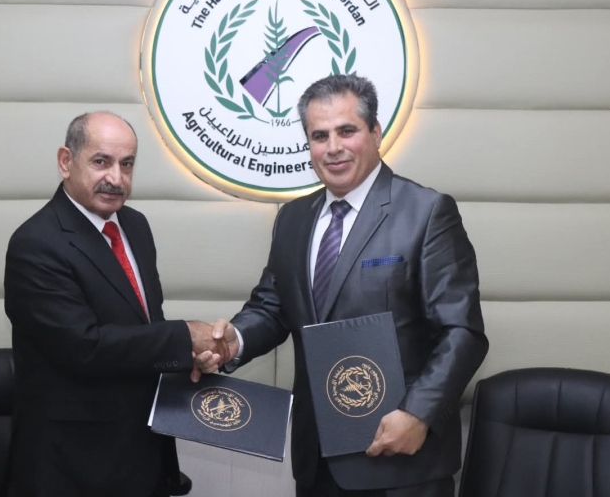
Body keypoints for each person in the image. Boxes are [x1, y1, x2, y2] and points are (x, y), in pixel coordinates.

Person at [197, 75, 489, 497]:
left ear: (376, 133)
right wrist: (234, 341)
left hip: (401, 460)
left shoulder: (426, 212)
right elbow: (273, 307)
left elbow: (462, 331)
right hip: (317, 461)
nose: (333, 147)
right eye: (319, 136)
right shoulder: (293, 219)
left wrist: (419, 414)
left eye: (346, 131)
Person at [4, 111, 221, 497]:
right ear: (66, 162)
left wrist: (187, 357)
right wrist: (184, 337)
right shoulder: (36, 243)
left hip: (144, 452)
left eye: (127, 164)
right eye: (101, 161)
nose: (116, 178)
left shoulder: (135, 226)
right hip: (74, 466)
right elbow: (84, 347)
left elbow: (144, 328)